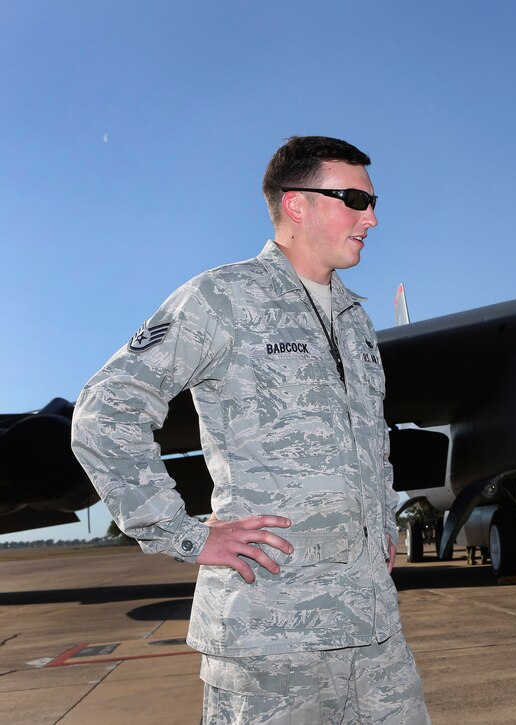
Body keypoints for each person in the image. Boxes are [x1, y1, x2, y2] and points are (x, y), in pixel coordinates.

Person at [72, 136, 430, 723]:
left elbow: (370, 441)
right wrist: (182, 533)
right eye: (355, 199)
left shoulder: (356, 320)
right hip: (270, 633)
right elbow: (105, 409)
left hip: (371, 629)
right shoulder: (223, 298)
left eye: (372, 201)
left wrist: (381, 520)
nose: (372, 217)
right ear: (297, 204)